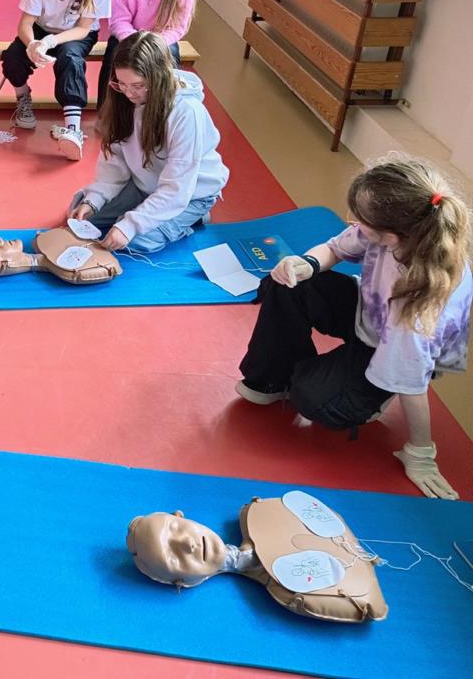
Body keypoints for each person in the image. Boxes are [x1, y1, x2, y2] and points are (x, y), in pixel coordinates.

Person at [237, 158, 471, 500]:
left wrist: (421, 453)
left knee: (312, 398)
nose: (353, 223)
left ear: (391, 236)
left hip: (395, 346)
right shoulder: (401, 229)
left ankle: (371, 397)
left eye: (361, 220)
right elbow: (334, 248)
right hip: (372, 308)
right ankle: (274, 379)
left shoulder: (416, 307)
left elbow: (412, 382)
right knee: (286, 283)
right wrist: (306, 264)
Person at [69, 31, 228, 253]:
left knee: (136, 241)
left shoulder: (186, 112)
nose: (128, 93)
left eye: (137, 85)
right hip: (145, 183)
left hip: (190, 193)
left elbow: (177, 187)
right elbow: (115, 160)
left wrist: (130, 225)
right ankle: (143, 210)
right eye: (121, 84)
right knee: (82, 215)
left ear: (158, 77)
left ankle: (195, 216)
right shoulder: (124, 100)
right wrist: (94, 199)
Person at [126, 498, 387, 622]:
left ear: (180, 515)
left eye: (176, 529)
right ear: (181, 582)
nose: (187, 544)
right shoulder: (290, 593)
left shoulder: (259, 512)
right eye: (174, 557)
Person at [0, 0, 112, 159]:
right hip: (42, 29)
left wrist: (52, 41)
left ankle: (73, 129)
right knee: (12, 57)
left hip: (76, 33)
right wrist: (33, 44)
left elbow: (83, 29)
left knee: (70, 59)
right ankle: (23, 97)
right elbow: (25, 24)